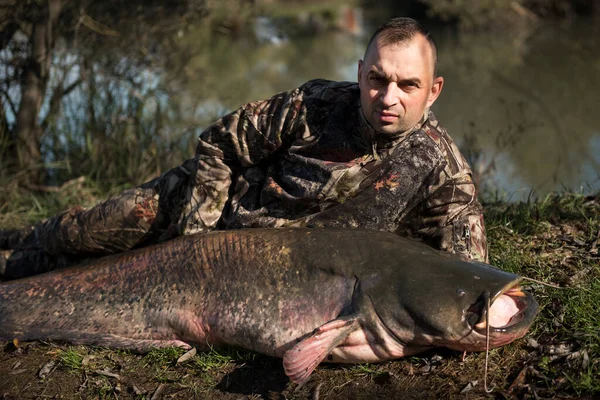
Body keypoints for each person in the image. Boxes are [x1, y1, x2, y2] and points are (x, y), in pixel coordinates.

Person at [0, 17, 488, 279]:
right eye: (378, 79)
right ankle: (21, 239)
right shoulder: (314, 103)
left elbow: (472, 275)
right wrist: (195, 240)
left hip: (267, 271)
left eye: (408, 84)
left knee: (84, 275)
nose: (389, 97)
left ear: (434, 90)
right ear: (360, 71)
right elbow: (218, 143)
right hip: (199, 211)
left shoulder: (442, 171)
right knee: (81, 235)